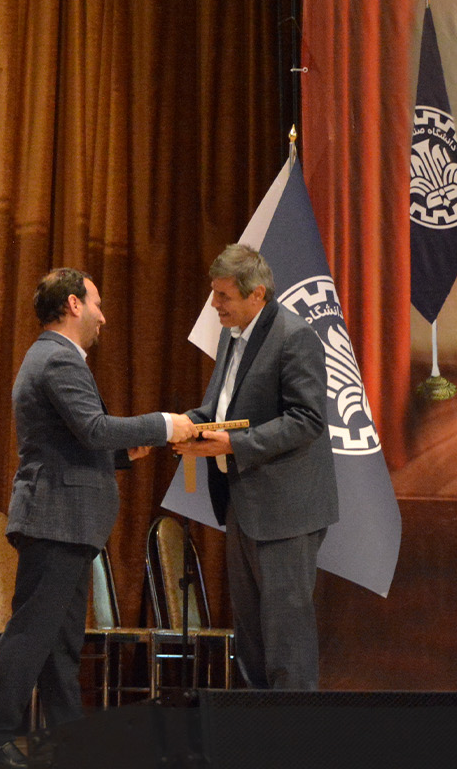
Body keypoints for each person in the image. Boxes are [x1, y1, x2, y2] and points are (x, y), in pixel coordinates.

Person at [0, 269, 194, 769]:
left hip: (64, 519)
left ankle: (68, 745)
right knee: (31, 633)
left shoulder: (51, 356)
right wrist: (163, 425)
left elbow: (68, 439)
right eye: (96, 304)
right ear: (73, 304)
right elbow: (92, 428)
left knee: (59, 643)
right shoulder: (58, 358)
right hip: (56, 518)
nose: (102, 316)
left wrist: (120, 454)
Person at [169, 244, 338, 691]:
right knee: (251, 635)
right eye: (214, 293)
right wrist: (185, 425)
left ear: (257, 293)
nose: (214, 304)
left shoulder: (295, 335)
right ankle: (258, 725)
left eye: (223, 295)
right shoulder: (233, 335)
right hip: (242, 505)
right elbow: (220, 409)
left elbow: (308, 420)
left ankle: (292, 730)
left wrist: (234, 444)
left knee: (286, 635)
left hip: (286, 511)